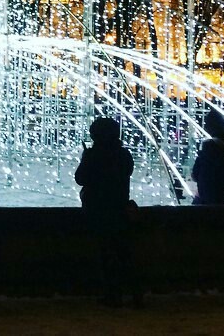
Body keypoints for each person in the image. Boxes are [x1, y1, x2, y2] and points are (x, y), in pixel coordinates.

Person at [74, 116, 140, 308]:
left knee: (107, 254)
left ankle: (113, 294)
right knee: (124, 254)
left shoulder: (94, 155)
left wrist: (86, 157)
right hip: (120, 208)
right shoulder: (124, 155)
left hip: (100, 210)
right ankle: (136, 293)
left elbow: (80, 178)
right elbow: (126, 172)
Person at [191, 111, 224, 205]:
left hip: (203, 192)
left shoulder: (204, 153)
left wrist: (200, 179)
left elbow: (195, 174)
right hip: (219, 193)